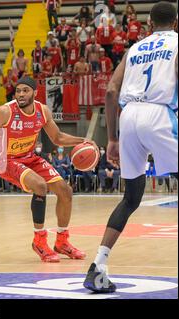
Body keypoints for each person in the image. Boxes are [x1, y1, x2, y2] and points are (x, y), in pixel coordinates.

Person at [84, 2, 178, 293]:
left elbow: (111, 91)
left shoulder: (134, 49)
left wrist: (111, 138)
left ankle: (98, 266)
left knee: (131, 198)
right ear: (175, 23)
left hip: (129, 119)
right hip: (160, 114)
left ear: (149, 24)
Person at [0, 76, 96, 263]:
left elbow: (58, 138)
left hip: (29, 158)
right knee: (40, 185)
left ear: (35, 93)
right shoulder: (4, 112)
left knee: (65, 191)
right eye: (18, 91)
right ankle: (39, 241)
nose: (21, 94)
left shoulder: (42, 111)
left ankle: (62, 241)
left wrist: (83, 141)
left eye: (25, 90)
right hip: (5, 160)